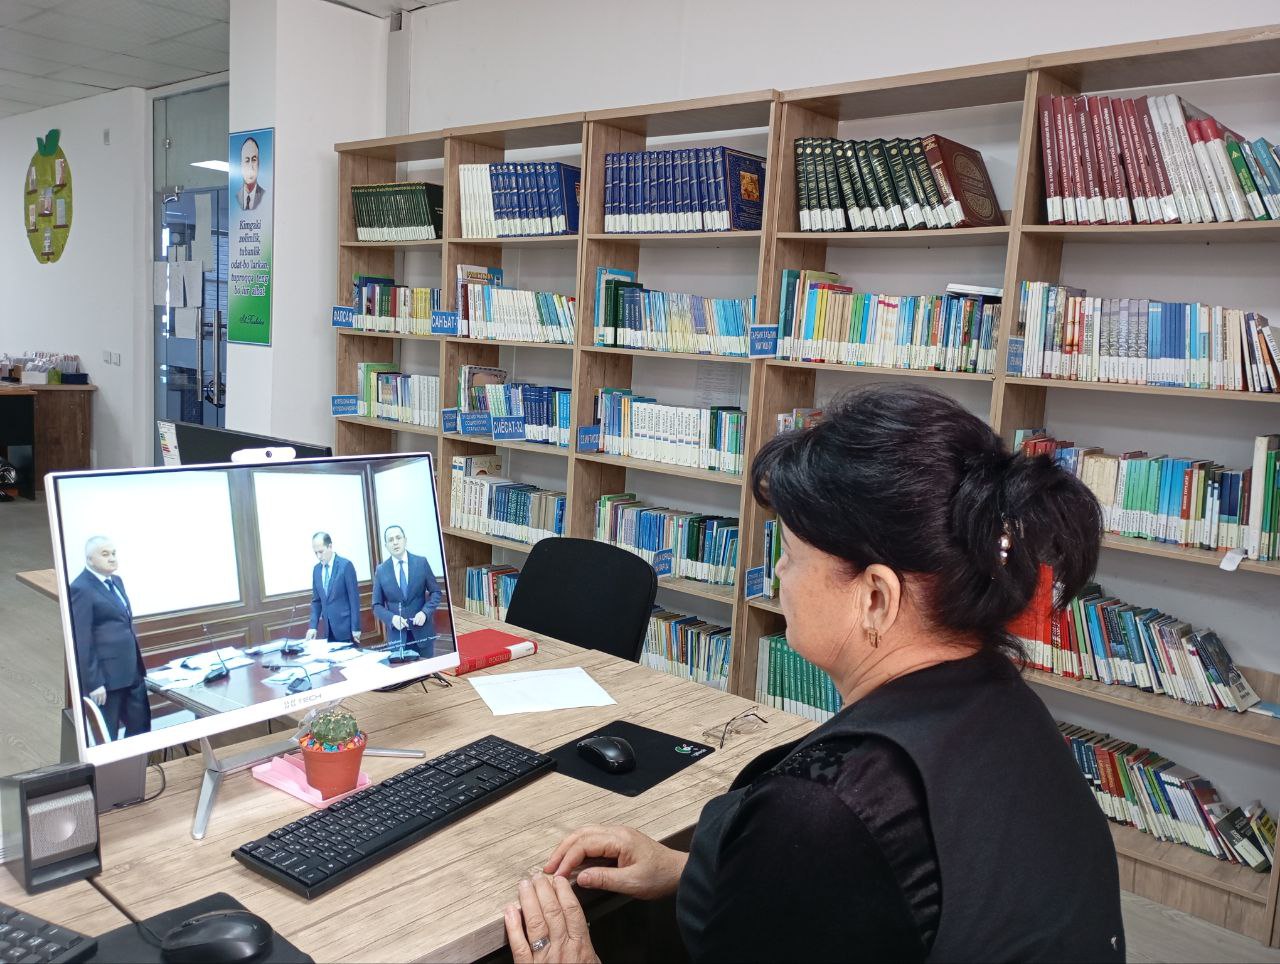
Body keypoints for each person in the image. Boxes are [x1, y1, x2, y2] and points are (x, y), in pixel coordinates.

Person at [504, 384, 1125, 963]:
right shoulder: (1003, 704)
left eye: (792, 555)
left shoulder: (824, 810)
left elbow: (847, 864)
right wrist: (687, 870)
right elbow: (880, 900)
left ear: (876, 598)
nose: (778, 574)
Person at [68, 536, 152, 740]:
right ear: (89, 559)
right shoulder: (81, 588)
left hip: (132, 673)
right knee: (108, 738)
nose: (112, 558)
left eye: (113, 553)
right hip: (107, 681)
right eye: (105, 554)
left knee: (141, 729)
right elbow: (82, 639)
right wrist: (94, 682)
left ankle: (136, 762)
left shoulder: (116, 581)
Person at [371, 525, 441, 658]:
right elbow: (376, 605)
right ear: (386, 546)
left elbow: (436, 592)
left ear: (405, 540)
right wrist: (392, 619)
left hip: (423, 635)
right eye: (390, 540)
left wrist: (425, 613)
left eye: (398, 538)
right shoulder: (381, 570)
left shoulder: (421, 563)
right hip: (398, 639)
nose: (395, 542)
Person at [305, 532, 361, 644]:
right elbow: (316, 601)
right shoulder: (316, 570)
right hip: (328, 630)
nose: (318, 556)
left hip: (347, 629)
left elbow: (354, 599)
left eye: (321, 552)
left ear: (330, 546)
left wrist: (356, 628)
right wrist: (313, 626)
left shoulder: (345, 566)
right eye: (316, 553)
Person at [236, 137, 265, 211]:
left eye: (254, 160)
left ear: (258, 163)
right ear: (241, 165)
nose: (250, 167)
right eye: (247, 160)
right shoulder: (236, 198)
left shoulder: (265, 196)